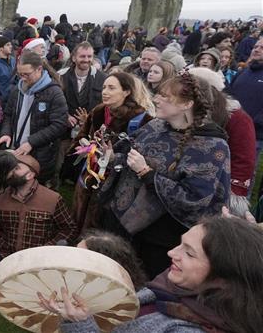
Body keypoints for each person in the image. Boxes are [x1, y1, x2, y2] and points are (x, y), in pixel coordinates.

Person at [101, 72, 230, 277]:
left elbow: (194, 199)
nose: (155, 99)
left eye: (165, 97)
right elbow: (126, 154)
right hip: (123, 225)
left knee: (145, 286)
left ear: (187, 104)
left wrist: (146, 172)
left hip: (161, 239)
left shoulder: (211, 147)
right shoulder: (156, 126)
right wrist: (108, 155)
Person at [44, 216, 263, 333]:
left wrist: (81, 326)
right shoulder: (173, 289)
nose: (171, 253)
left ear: (223, 277)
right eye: (180, 244)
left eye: (189, 253)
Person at [0, 151, 77, 288]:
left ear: (30, 175)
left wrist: (47, 249)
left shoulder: (53, 198)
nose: (11, 171)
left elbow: (68, 228)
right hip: (4, 253)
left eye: (17, 168)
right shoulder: (0, 197)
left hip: (36, 259)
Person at [70, 72, 153, 233]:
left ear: (126, 91)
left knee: (100, 223)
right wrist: (85, 143)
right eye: (104, 87)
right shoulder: (99, 111)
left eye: (111, 88)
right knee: (80, 214)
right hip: (89, 175)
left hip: (115, 183)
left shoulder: (142, 119)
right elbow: (82, 135)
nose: (105, 92)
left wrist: (114, 157)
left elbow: (143, 154)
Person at [0, 51, 68, 185]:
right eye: (19, 74)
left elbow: (59, 125)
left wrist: (31, 142)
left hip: (40, 154)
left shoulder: (54, 93)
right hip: (16, 148)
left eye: (26, 74)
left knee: (33, 188)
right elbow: (8, 115)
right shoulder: (18, 90)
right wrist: (6, 133)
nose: (22, 78)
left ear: (39, 69)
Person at [189, 67, 256, 212]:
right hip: (192, 180)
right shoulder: (188, 111)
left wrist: (233, 194)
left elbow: (243, 158)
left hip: (219, 182)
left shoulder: (236, 117)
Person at [54, 43, 107, 188]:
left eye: (89, 56)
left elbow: (104, 104)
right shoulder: (61, 75)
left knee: (81, 158)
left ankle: (77, 180)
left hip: (89, 128)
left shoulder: (102, 78)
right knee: (59, 155)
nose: (86, 59)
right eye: (82, 56)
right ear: (73, 58)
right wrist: (64, 115)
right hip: (63, 125)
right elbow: (54, 99)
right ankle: (56, 179)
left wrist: (89, 120)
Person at [230, 37, 263, 205]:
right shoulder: (244, 71)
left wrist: (254, 121)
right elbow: (230, 95)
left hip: (254, 135)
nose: (256, 49)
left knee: (243, 173)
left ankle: (240, 206)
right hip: (229, 129)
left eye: (262, 48)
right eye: (256, 46)